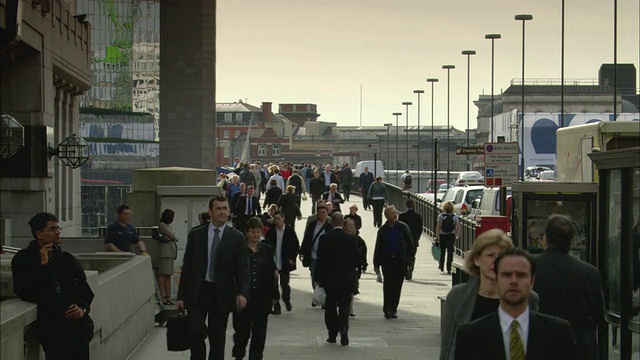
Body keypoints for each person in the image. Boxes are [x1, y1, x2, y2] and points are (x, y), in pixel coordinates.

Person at [454, 248, 577, 360]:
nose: (514, 281)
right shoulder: (471, 336)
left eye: (521, 275)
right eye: (506, 275)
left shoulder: (558, 333)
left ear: (532, 281)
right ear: (496, 280)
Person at [440, 229, 539, 360]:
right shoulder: (458, 296)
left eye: (501, 256)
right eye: (490, 255)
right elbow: (447, 345)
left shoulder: (528, 297)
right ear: (476, 259)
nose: (495, 261)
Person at [12, 212, 95, 360]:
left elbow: (86, 291)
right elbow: (25, 291)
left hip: (78, 330)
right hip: (54, 333)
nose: (58, 232)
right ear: (39, 234)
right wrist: (42, 265)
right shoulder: (23, 259)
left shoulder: (67, 259)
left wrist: (82, 309)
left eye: (58, 228)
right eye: (52, 229)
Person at [176, 196, 250, 360]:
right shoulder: (196, 235)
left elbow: (242, 268)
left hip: (221, 294)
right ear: (210, 212)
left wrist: (242, 293)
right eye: (218, 208)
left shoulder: (236, 238)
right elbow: (187, 267)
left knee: (217, 338)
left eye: (225, 208)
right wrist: (181, 296)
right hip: (198, 291)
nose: (222, 212)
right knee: (195, 333)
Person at [533, 214, 604, 360]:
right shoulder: (590, 273)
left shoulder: (530, 267)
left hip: (541, 346)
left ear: (545, 238)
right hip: (579, 348)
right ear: (571, 241)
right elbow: (598, 314)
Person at [232, 217, 277, 360]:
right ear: (247, 232)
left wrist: (274, 294)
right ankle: (239, 353)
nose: (256, 235)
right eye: (253, 232)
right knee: (242, 332)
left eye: (258, 232)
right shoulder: (239, 250)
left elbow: (272, 272)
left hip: (261, 297)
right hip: (244, 296)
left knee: (259, 333)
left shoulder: (267, 250)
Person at [315, 212, 361, 346]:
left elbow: (320, 260)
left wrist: (318, 278)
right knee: (345, 306)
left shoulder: (325, 239)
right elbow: (357, 259)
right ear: (342, 223)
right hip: (347, 279)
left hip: (330, 279)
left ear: (332, 223)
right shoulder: (351, 239)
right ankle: (344, 330)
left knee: (330, 306)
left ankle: (332, 333)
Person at [373, 205, 415, 319]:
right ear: (387, 216)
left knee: (397, 285)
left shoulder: (403, 227)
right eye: (392, 213)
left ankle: (394, 308)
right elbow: (378, 247)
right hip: (387, 261)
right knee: (388, 285)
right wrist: (376, 264)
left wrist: (410, 261)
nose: (395, 215)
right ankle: (387, 309)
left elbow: (410, 245)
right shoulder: (383, 230)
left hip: (400, 260)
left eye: (395, 213)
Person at [265, 211, 300, 314]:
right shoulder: (271, 232)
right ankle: (276, 306)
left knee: (284, 284)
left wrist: (292, 258)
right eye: (275, 219)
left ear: (283, 219)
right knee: (273, 285)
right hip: (274, 261)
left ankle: (286, 299)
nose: (276, 221)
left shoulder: (289, 231)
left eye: (278, 219)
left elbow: (295, 246)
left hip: (285, 261)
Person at [299, 204, 332, 296]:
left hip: (325, 257)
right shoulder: (312, 225)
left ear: (327, 213)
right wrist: (302, 252)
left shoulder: (330, 226)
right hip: (313, 256)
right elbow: (307, 238)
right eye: (320, 212)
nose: (322, 214)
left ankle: (323, 296)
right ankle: (317, 294)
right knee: (314, 276)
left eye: (324, 212)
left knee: (325, 277)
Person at [344, 218, 368, 317]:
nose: (351, 228)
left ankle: (350, 307)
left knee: (351, 288)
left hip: (353, 267)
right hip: (342, 267)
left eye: (353, 226)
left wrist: (364, 264)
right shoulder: (342, 237)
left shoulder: (358, 239)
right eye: (349, 226)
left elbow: (363, 253)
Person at [158, 208, 179, 305]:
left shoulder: (168, 226)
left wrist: (173, 237)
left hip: (170, 253)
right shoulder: (162, 225)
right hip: (165, 253)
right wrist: (173, 237)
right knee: (163, 274)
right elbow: (174, 236)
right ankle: (161, 296)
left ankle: (168, 296)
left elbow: (175, 237)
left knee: (168, 275)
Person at [398, 199, 423, 280]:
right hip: (414, 239)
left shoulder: (402, 216)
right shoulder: (417, 216)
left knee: (404, 255)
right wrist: (417, 237)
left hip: (404, 240)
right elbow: (420, 228)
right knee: (412, 255)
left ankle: (405, 270)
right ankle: (410, 268)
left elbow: (399, 228)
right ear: (413, 206)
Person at [436, 201, 460, 274]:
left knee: (442, 251)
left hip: (443, 235)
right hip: (451, 235)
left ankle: (441, 266)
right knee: (450, 252)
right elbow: (458, 227)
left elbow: (438, 226)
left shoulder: (441, 216)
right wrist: (456, 234)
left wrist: (437, 235)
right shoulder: (454, 216)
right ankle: (449, 268)